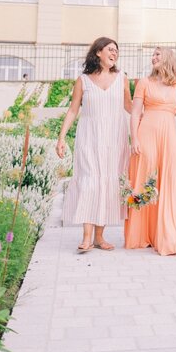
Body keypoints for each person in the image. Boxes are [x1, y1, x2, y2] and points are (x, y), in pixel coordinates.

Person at [57, 37, 131, 253]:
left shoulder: (122, 79)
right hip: (89, 139)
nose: (114, 53)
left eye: (116, 50)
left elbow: (129, 106)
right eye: (110, 49)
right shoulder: (83, 80)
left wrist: (151, 121)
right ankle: (87, 237)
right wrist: (61, 137)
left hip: (115, 140)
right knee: (90, 182)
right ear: (98, 52)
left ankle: (99, 236)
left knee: (108, 184)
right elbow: (73, 110)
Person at [126, 48, 176, 255]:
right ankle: (142, 234)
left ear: (168, 59)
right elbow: (135, 113)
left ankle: (168, 233)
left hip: (170, 135)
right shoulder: (144, 83)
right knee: (146, 179)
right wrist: (135, 138)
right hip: (147, 134)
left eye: (157, 54)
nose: (153, 58)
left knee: (170, 179)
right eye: (153, 55)